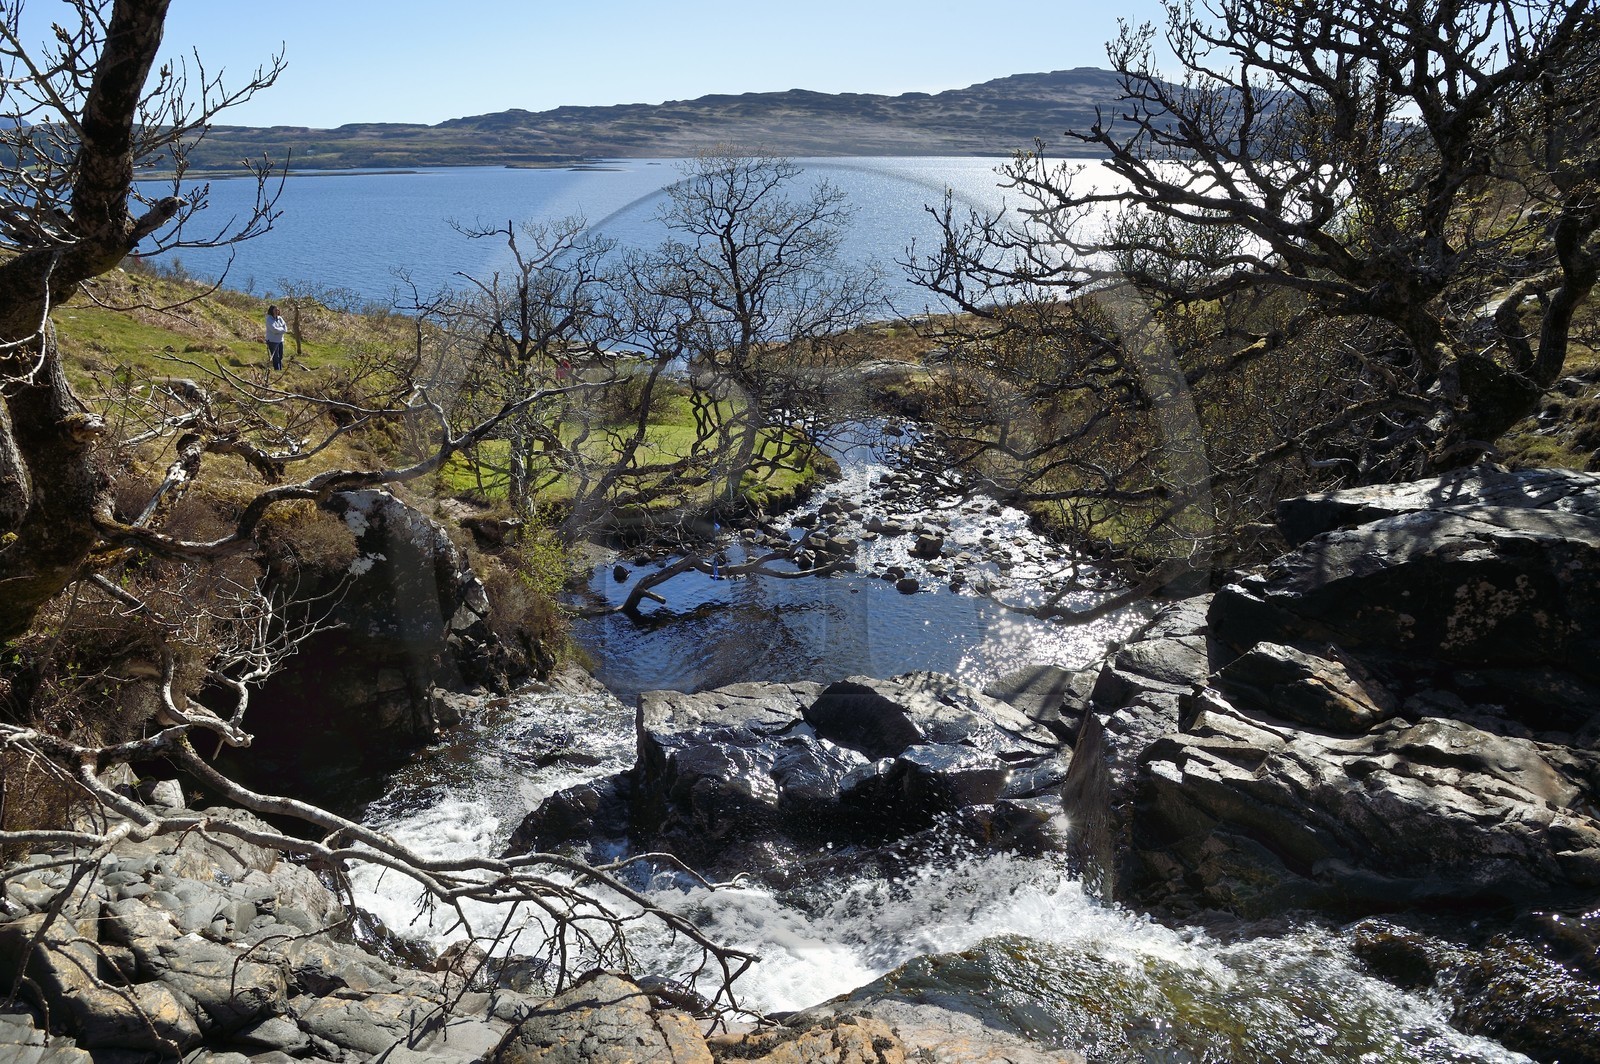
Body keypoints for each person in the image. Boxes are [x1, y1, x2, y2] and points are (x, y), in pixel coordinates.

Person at [265, 304, 287, 371]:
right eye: (275, 310)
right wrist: (281, 330)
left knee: (280, 356)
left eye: (277, 310)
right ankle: (277, 370)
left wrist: (280, 330)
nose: (277, 311)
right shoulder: (269, 319)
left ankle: (280, 369)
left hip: (280, 340)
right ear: (271, 310)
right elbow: (274, 329)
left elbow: (285, 328)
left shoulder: (280, 318)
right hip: (272, 341)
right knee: (275, 357)